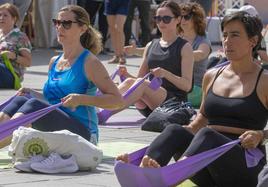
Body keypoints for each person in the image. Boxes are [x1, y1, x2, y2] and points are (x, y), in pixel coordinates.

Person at [117, 11, 268, 187]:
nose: (227, 41)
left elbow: (206, 133)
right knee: (175, 130)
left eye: (235, 35)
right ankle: (145, 167)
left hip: (245, 166)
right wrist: (179, 135)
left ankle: (168, 178)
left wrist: (260, 135)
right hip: (207, 165)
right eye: (225, 35)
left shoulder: (264, 80)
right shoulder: (211, 75)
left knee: (208, 135)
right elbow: (200, 120)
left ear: (253, 41)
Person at [0, 5, 123, 148]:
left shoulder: (90, 62)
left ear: (83, 28)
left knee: (33, 106)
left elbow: (118, 101)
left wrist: (82, 99)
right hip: (59, 126)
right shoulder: (54, 62)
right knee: (21, 98)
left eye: (66, 24)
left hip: (85, 136)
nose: (60, 27)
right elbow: (55, 102)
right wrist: (32, 93)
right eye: (57, 22)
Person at [99, 0, 193, 121]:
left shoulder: (184, 47)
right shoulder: (151, 45)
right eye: (158, 18)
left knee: (142, 84)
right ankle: (99, 107)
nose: (161, 22)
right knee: (129, 81)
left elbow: (186, 86)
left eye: (166, 19)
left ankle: (105, 113)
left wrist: (166, 74)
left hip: (173, 104)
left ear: (178, 20)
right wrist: (126, 74)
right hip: (149, 102)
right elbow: (139, 78)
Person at [178, 2, 211, 108]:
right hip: (179, 85)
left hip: (196, 88)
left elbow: (201, 54)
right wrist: (135, 50)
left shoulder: (203, 39)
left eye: (186, 17)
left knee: (153, 92)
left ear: (196, 19)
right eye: (180, 17)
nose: (182, 20)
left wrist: (177, 54)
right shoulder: (178, 37)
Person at [0, 3, 32, 89]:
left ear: (14, 19)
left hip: (11, 75)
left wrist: (13, 56)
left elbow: (28, 62)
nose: (1, 18)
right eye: (0, 15)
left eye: (5, 15)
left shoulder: (20, 37)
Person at [104, 0, 130, 64]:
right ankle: (116, 55)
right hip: (110, 2)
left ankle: (122, 55)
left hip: (123, 2)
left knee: (119, 27)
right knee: (112, 29)